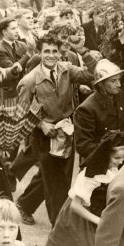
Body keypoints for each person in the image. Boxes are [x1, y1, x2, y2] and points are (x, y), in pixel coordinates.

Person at [17, 34, 96, 225]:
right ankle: (58, 226)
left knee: (58, 176)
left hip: (67, 132)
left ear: (60, 53)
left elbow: (92, 74)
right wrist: (41, 124)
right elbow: (20, 111)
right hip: (44, 136)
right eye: (47, 51)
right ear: (39, 53)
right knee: (55, 183)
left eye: (55, 51)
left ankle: (24, 204)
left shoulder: (67, 70)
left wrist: (82, 50)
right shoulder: (29, 81)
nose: (51, 55)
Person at [45, 130, 124, 246]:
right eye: (117, 158)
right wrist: (99, 220)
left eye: (123, 158)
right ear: (105, 154)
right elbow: (76, 205)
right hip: (78, 217)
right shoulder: (90, 175)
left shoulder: (114, 171)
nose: (120, 162)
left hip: (94, 216)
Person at [0, 18, 33, 95]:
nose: (17, 31)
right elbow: (13, 70)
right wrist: (28, 54)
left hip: (26, 86)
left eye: (17, 27)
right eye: (13, 28)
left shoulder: (22, 45)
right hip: (11, 91)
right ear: (4, 32)